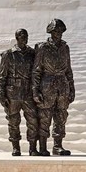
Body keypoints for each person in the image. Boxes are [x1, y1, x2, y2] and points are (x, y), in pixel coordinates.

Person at [32, 19, 75, 156]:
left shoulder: (65, 47)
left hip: (62, 85)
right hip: (47, 84)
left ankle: (58, 146)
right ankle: (43, 146)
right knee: (45, 116)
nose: (59, 33)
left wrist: (72, 88)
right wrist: (35, 90)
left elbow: (68, 69)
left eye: (61, 31)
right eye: (56, 31)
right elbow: (36, 70)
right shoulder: (42, 47)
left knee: (61, 115)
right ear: (50, 32)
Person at [0, 28, 38, 156]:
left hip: (28, 92)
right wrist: (1, 96)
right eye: (22, 36)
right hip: (12, 94)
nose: (25, 38)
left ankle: (32, 148)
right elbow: (1, 77)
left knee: (33, 121)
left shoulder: (33, 53)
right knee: (13, 121)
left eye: (26, 36)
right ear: (16, 37)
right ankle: (16, 147)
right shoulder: (8, 55)